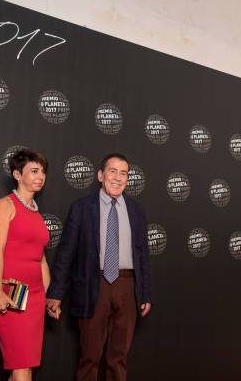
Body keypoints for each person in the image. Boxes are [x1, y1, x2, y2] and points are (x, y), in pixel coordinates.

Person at [46, 152, 152, 381]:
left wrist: (145, 293)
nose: (118, 177)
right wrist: (55, 293)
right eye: (112, 171)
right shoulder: (82, 208)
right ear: (100, 175)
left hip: (128, 286)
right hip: (93, 285)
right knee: (90, 357)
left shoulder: (136, 211)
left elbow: (143, 255)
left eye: (123, 173)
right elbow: (66, 253)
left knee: (119, 357)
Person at [0, 149, 51, 381]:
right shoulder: (5, 205)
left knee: (24, 366)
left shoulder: (37, 214)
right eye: (34, 171)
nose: (40, 176)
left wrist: (47, 295)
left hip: (35, 298)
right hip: (10, 294)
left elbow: (42, 259)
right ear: (17, 174)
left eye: (43, 172)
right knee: (22, 366)